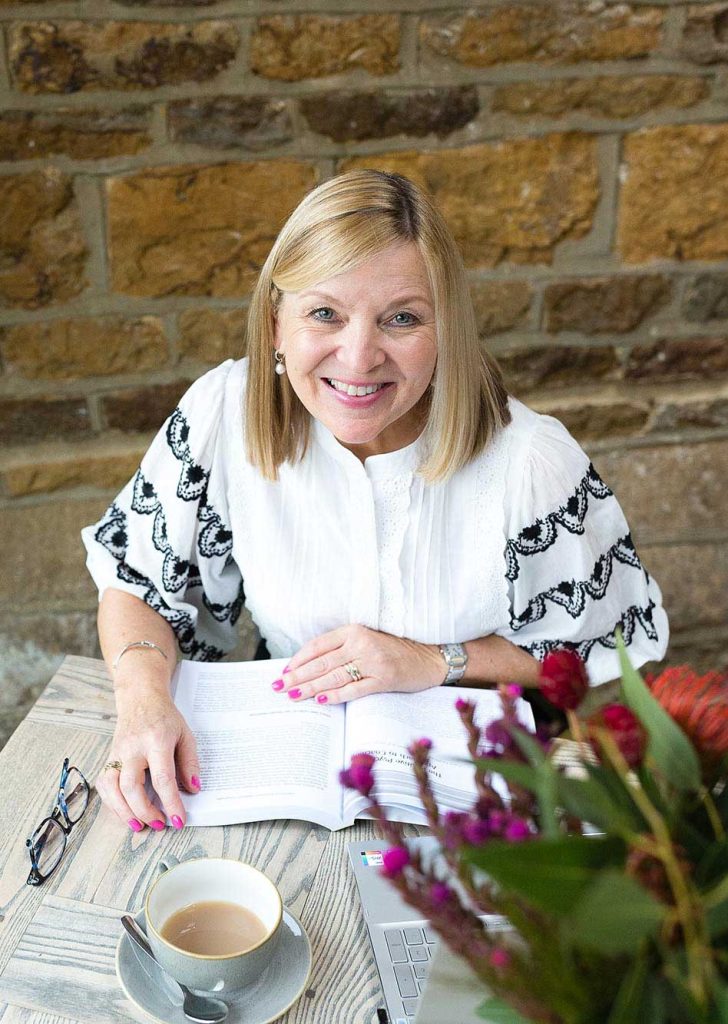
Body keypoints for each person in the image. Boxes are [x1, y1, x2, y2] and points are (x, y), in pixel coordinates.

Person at [82, 169, 668, 832]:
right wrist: (142, 701)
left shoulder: (531, 461)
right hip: (286, 781)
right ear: (277, 325)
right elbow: (137, 585)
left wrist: (433, 660)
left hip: (482, 794)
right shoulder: (224, 413)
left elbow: (606, 650)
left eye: (402, 319)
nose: (358, 359)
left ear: (446, 329)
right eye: (325, 313)